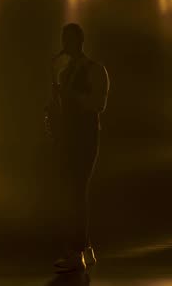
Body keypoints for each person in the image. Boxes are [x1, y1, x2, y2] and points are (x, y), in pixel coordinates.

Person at [45, 23, 109, 273]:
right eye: (62, 38)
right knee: (74, 192)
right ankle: (87, 249)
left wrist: (69, 95)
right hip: (70, 136)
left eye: (69, 39)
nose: (64, 44)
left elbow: (99, 104)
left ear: (80, 41)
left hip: (86, 136)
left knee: (77, 192)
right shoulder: (66, 71)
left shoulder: (95, 70)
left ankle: (75, 253)